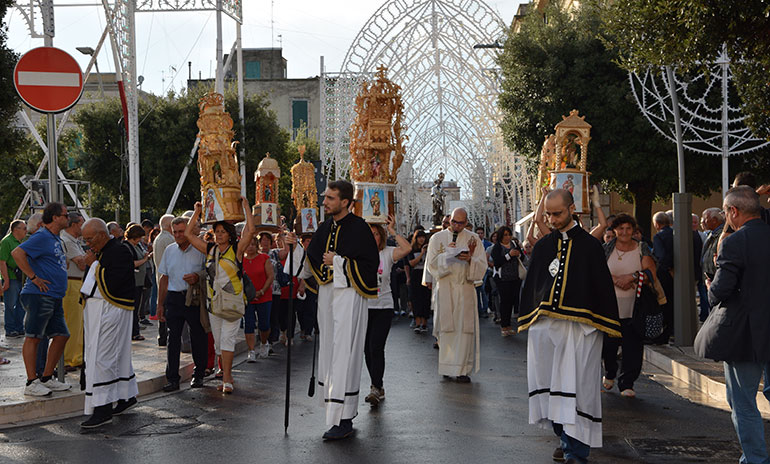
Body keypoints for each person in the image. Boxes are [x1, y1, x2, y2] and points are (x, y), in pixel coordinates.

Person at [518, 189, 620, 464]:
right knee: (551, 389)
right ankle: (563, 439)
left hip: (579, 333)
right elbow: (533, 288)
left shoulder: (589, 246)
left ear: (572, 209)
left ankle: (575, 450)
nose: (552, 219)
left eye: (557, 213)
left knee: (577, 392)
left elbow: (600, 289)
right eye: (548, 214)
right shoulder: (542, 246)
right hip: (546, 332)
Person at [299, 179, 378, 440]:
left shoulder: (360, 229)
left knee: (346, 351)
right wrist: (295, 247)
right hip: (328, 295)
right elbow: (312, 257)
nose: (325, 202)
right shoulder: (324, 227)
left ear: (345, 202)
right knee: (330, 350)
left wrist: (339, 262)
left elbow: (368, 266)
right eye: (325, 197)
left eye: (330, 198)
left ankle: (344, 417)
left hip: (349, 297)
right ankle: (335, 411)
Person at [696, 186, 770, 464]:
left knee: (743, 403)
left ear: (733, 211)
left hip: (746, 334)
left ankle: (755, 460)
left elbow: (720, 292)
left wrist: (710, 285)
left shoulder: (735, 242)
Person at [185, 197, 253, 393]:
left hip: (232, 302)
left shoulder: (237, 250)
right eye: (217, 232)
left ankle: (227, 378)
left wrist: (246, 208)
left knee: (227, 339)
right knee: (217, 343)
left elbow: (251, 232)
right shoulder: (210, 250)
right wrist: (197, 211)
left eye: (223, 232)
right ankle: (224, 372)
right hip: (213, 303)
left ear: (230, 235)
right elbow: (189, 234)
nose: (220, 235)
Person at [79, 218, 138, 428]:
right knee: (117, 355)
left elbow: (113, 281)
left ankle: (103, 409)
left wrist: (93, 264)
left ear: (102, 234)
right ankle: (126, 396)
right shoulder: (103, 251)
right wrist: (94, 261)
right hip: (101, 310)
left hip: (111, 310)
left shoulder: (119, 251)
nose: (87, 244)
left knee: (103, 357)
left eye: (89, 239)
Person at [11, 202, 73, 396]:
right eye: (65, 215)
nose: (67, 218)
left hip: (53, 295)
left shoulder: (55, 238)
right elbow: (17, 253)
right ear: (54, 217)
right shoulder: (42, 236)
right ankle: (31, 382)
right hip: (39, 295)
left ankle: (46, 378)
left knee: (62, 335)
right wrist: (33, 277)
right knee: (33, 336)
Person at [425, 207, 487, 382]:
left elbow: (482, 266)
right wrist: (446, 256)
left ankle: (462, 370)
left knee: (464, 330)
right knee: (447, 329)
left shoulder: (473, 239)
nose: (457, 226)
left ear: (466, 222)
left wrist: (470, 260)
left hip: (465, 289)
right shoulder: (437, 238)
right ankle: (446, 366)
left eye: (460, 223)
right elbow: (431, 264)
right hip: (445, 288)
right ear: (450, 220)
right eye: (454, 222)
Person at [601, 214, 656, 398]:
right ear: (614, 230)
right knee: (608, 345)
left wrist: (631, 278)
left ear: (634, 230)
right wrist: (615, 280)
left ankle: (627, 382)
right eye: (621, 228)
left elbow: (650, 273)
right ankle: (609, 372)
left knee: (633, 345)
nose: (624, 232)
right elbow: (598, 272)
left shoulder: (642, 248)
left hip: (635, 307)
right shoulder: (606, 248)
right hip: (610, 307)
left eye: (628, 228)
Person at [156, 216, 208, 392]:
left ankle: (199, 374)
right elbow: (164, 278)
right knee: (173, 339)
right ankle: (172, 379)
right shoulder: (169, 250)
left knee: (197, 336)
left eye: (181, 231)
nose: (178, 235)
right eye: (175, 231)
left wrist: (197, 276)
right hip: (174, 298)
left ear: (189, 231)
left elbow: (210, 271)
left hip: (193, 298)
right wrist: (160, 304)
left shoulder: (200, 249)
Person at [364, 216, 410, 406]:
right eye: (370, 234)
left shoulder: (388, 253)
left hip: (383, 306)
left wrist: (392, 230)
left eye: (376, 234)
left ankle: (375, 386)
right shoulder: (360, 255)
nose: (373, 237)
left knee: (376, 346)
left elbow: (407, 249)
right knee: (367, 349)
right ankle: (378, 385)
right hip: (364, 306)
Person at [60, 212, 86, 370]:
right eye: (82, 223)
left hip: (77, 283)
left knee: (79, 323)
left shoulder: (73, 241)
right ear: (74, 224)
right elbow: (82, 264)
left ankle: (77, 356)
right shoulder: (66, 241)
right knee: (72, 323)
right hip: (71, 283)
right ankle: (69, 358)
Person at [242, 234, 274, 361]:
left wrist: (261, 291)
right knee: (248, 324)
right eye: (248, 245)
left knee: (264, 324)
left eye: (253, 245)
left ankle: (264, 342)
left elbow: (270, 276)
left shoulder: (264, 258)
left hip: (264, 296)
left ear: (257, 246)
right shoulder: (240, 260)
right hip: (247, 297)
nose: (250, 248)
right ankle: (251, 350)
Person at [490, 226, 523, 337]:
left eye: (509, 234)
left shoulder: (514, 244)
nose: (507, 237)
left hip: (515, 277)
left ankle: (509, 325)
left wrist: (519, 254)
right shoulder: (497, 247)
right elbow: (497, 262)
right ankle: (504, 326)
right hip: (502, 278)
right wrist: (509, 255)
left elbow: (522, 257)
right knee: (505, 302)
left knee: (513, 301)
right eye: (505, 235)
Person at [124, 225, 153, 341]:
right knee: (134, 308)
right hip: (133, 282)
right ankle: (134, 332)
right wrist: (145, 260)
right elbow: (131, 263)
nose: (141, 240)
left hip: (139, 281)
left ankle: (135, 331)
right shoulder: (127, 247)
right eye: (140, 237)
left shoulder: (135, 246)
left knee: (137, 307)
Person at [0, 220, 27, 338]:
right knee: (10, 305)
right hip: (11, 277)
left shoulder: (24, 241)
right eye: (24, 228)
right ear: (16, 230)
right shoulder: (7, 242)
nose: (26, 231)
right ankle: (10, 329)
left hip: (21, 277)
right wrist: (6, 280)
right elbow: (2, 262)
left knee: (22, 304)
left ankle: (19, 327)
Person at [152, 214, 176, 345]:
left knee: (162, 307)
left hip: (162, 277)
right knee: (165, 309)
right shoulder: (168, 239)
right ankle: (163, 337)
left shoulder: (159, 238)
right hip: (167, 279)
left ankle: (162, 336)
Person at [652, 211, 674, 342]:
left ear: (657, 224)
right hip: (675, 274)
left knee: (664, 303)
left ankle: (663, 334)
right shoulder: (675, 234)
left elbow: (661, 256)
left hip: (664, 275)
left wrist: (666, 268)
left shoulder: (659, 237)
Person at [699, 208, 724, 321]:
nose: (702, 222)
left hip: (716, 278)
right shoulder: (711, 234)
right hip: (709, 278)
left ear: (714, 220)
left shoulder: (722, 235)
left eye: (705, 219)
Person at [407, 230, 431, 333]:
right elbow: (411, 263)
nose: (421, 239)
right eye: (419, 237)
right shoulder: (412, 250)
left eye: (423, 237)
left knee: (426, 299)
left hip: (426, 275)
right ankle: (417, 323)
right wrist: (421, 254)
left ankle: (425, 323)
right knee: (416, 299)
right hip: (416, 275)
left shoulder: (430, 249)